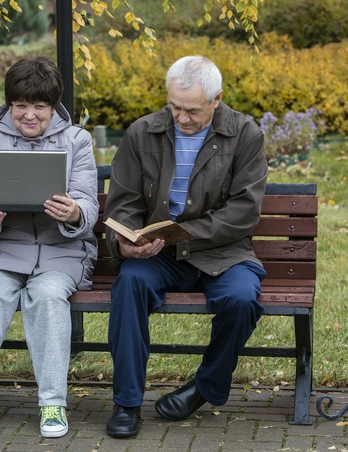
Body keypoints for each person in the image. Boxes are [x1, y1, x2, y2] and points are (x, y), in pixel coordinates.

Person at [103, 55, 268, 438]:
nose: (181, 118)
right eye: (174, 106)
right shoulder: (142, 132)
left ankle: (204, 387)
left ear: (217, 99)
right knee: (129, 285)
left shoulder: (245, 134)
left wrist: (190, 232)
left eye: (192, 110)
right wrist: (125, 242)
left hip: (222, 252)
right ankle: (127, 403)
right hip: (158, 252)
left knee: (242, 298)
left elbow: (244, 210)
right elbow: (124, 201)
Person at [0, 56, 99, 438]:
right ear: (9, 105)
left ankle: (53, 404)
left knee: (50, 297)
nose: (30, 115)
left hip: (60, 254)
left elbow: (89, 202)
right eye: (21, 106)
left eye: (40, 106)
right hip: (2, 250)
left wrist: (72, 213)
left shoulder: (78, 141)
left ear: (53, 107)